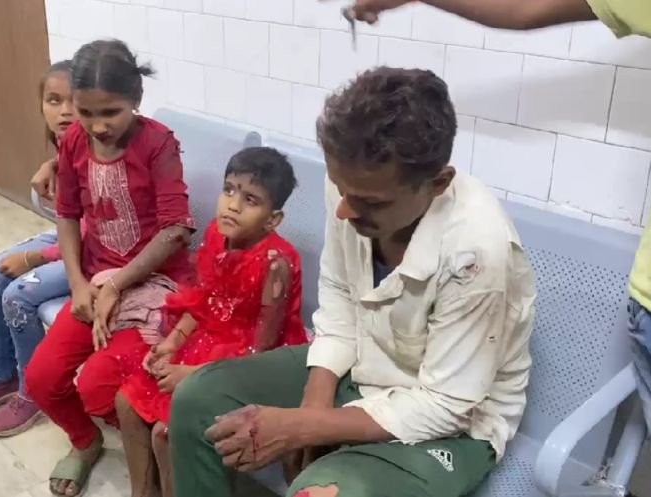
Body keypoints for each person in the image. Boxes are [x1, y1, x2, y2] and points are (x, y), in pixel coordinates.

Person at [349, 1, 651, 496]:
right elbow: (526, 6)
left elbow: (449, 401)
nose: (348, 209)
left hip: (473, 417)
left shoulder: (478, 242)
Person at [168, 68, 536, 497]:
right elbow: (341, 296)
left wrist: (303, 427)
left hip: (453, 422)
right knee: (198, 400)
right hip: (362, 363)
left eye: (369, 202)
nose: (344, 210)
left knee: (321, 493)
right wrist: (314, 405)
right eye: (341, 190)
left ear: (437, 185)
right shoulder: (354, 182)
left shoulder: (477, 251)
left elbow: (446, 405)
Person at [24, 39, 195, 497]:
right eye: (86, 112)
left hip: (155, 288)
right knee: (41, 379)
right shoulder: (73, 141)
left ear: (136, 98)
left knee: (99, 389)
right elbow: (67, 214)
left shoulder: (158, 143)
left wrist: (118, 283)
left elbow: (176, 228)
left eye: (111, 113)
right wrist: (79, 284)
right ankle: (85, 442)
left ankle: (152, 456)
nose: (98, 126)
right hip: (96, 286)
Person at [116, 147, 309, 497]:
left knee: (167, 433)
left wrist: (192, 375)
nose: (232, 205)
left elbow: (261, 351)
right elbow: (205, 300)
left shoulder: (275, 262)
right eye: (229, 190)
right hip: (210, 339)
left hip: (248, 361)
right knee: (125, 402)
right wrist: (173, 342)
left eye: (250, 199)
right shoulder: (217, 236)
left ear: (273, 219)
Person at [0, 60, 79, 437]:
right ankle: (1, 377)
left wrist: (35, 258)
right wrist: (53, 163)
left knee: (17, 294)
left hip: (94, 252)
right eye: (54, 100)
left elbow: (98, 233)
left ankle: (33, 390)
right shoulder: (66, 143)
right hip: (69, 236)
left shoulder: (102, 149)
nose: (65, 111)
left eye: (74, 101)